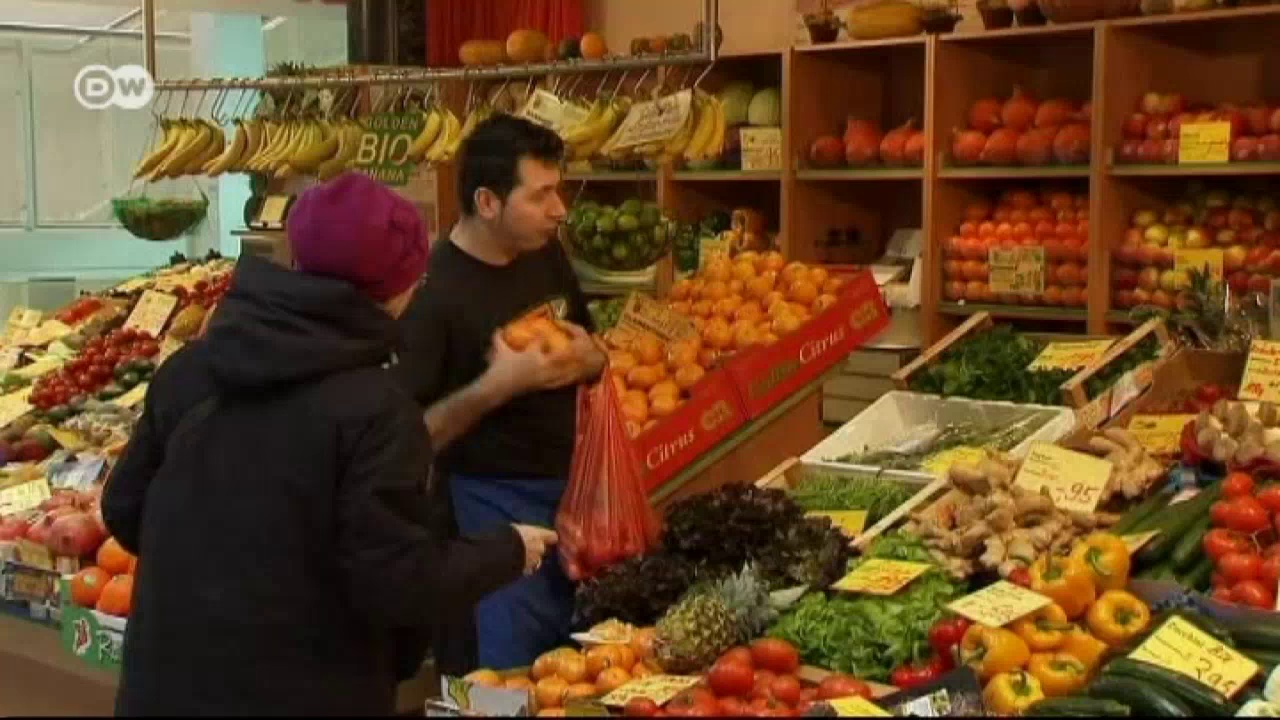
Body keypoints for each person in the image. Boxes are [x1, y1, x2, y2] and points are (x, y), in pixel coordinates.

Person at [102, 172, 557, 715]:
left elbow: (123, 510)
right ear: (397, 289)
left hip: (165, 686)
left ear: (297, 258)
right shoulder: (375, 411)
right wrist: (508, 550)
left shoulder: (191, 371)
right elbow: (396, 581)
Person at [397, 114, 606, 672]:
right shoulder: (433, 294)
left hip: (572, 501)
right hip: (487, 513)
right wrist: (497, 386)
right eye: (541, 195)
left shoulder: (545, 254)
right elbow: (408, 437)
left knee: (574, 677)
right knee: (504, 680)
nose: (560, 210)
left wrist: (592, 359)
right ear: (487, 202)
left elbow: (591, 342)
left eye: (557, 190)